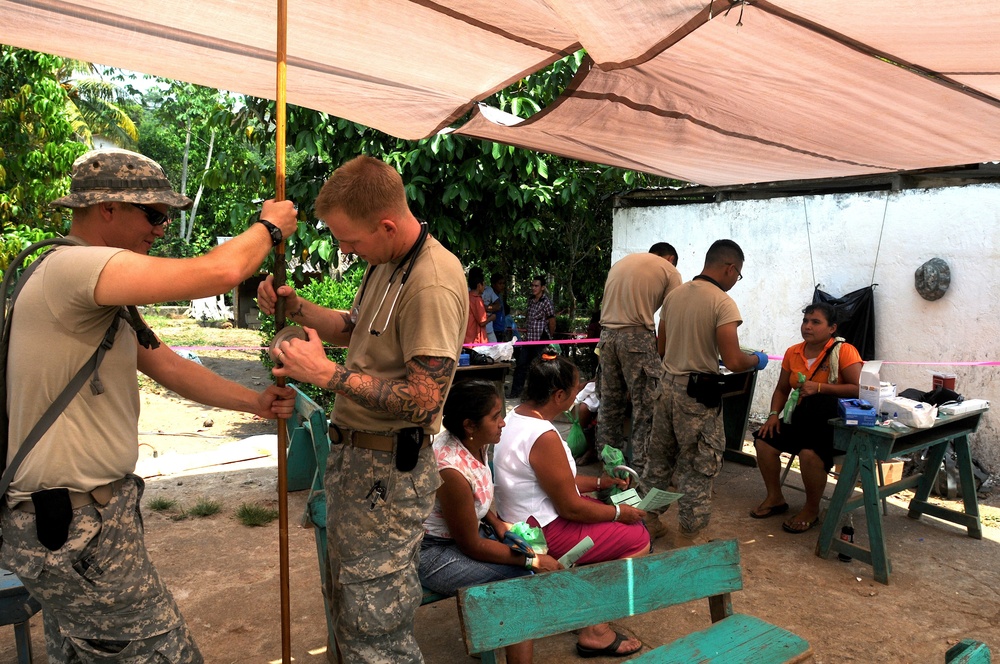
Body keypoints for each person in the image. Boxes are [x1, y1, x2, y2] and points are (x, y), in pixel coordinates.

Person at [0, 148, 298, 662]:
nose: (162, 228)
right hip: (74, 527)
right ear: (108, 209)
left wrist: (255, 402)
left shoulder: (93, 293)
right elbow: (218, 272)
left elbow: (169, 365)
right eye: (154, 213)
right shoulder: (76, 267)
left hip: (73, 523)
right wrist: (268, 228)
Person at [256, 155, 467, 663]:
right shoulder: (387, 262)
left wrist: (325, 374)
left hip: (388, 472)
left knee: (376, 628)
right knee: (350, 605)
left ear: (387, 224)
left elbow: (423, 400)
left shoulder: (432, 282)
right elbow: (355, 328)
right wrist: (298, 308)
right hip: (356, 462)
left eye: (349, 240)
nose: (344, 249)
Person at [493, 351, 649, 659]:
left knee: (609, 523)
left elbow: (552, 480)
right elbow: (571, 508)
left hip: (521, 519)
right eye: (576, 389)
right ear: (559, 394)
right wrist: (619, 513)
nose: (579, 394)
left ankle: (582, 608)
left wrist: (601, 483)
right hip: (542, 530)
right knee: (639, 539)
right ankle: (596, 629)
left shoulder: (514, 418)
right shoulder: (543, 434)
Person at [418, 380, 561, 664]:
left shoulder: (475, 442)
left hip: (463, 537)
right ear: (469, 424)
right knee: (521, 581)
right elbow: (471, 545)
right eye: (496, 417)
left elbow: (475, 505)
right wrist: (530, 561)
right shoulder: (451, 471)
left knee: (526, 548)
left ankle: (484, 636)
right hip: (432, 553)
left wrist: (497, 523)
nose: (503, 423)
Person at [644, 239, 768, 544]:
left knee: (659, 460)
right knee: (699, 465)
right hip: (696, 398)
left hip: (666, 390)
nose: (734, 282)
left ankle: (646, 522)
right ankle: (691, 534)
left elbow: (661, 347)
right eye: (737, 276)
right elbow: (735, 360)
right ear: (730, 268)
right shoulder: (722, 302)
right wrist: (758, 359)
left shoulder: (674, 296)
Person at [750, 303, 862, 534]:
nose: (808, 327)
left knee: (809, 455)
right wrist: (773, 415)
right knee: (763, 440)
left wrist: (820, 388)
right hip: (800, 418)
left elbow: (858, 389)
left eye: (815, 322)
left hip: (832, 425)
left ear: (832, 328)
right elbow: (782, 389)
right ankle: (775, 498)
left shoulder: (845, 351)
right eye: (805, 321)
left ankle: (812, 509)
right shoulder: (793, 352)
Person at [596, 243, 682, 498]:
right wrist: (666, 353)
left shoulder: (623, 263)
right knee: (646, 411)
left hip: (607, 338)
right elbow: (670, 317)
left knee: (609, 409)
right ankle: (643, 482)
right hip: (637, 339)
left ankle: (611, 477)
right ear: (670, 258)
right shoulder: (669, 270)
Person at [508, 275, 555, 399]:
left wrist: (550, 337)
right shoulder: (530, 301)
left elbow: (552, 321)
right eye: (532, 285)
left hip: (540, 340)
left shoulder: (546, 302)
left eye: (536, 286)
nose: (533, 288)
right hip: (529, 339)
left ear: (543, 287)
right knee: (521, 365)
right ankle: (515, 392)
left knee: (538, 368)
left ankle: (537, 395)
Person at [465, 267, 494, 345]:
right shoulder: (477, 299)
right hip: (476, 340)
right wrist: (491, 318)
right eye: (483, 284)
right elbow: (482, 321)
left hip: (468, 338)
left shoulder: (467, 296)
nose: (484, 287)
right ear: (479, 285)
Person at [482, 274, 506, 343]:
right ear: (493, 284)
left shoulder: (499, 297)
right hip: (493, 329)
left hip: (501, 329)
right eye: (500, 283)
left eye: (503, 283)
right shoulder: (489, 296)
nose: (502, 286)